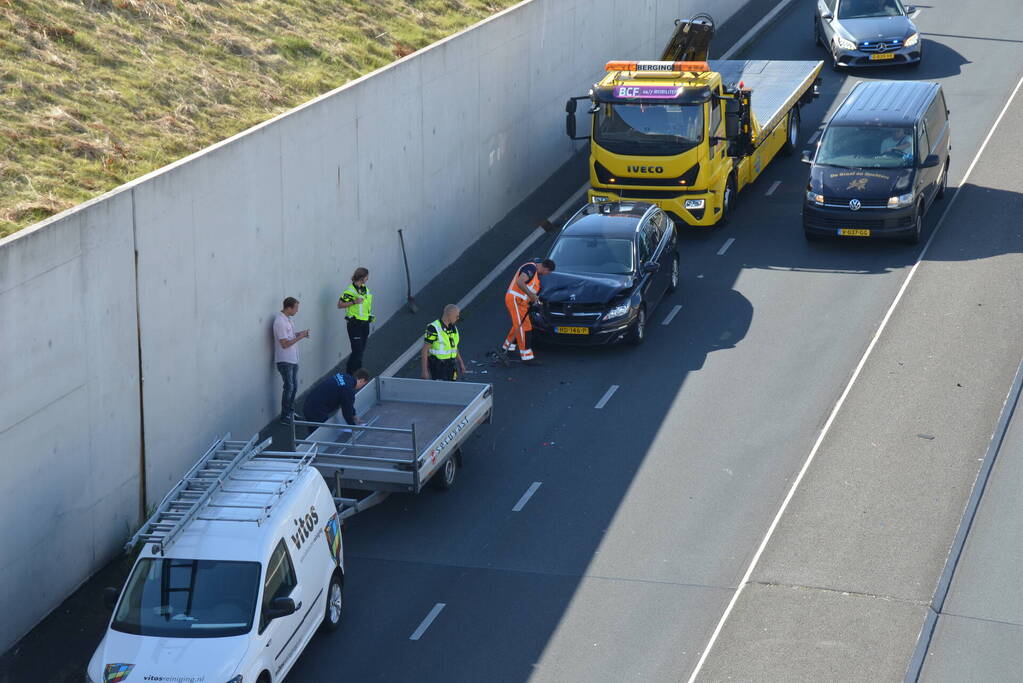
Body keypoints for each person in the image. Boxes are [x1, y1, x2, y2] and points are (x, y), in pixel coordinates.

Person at [502, 259, 555, 366]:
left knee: (519, 324)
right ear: (545, 268)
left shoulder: (535, 276)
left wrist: (534, 301)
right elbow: (520, 282)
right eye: (548, 272)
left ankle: (508, 347)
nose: (547, 275)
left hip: (521, 303)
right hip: (515, 300)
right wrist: (531, 295)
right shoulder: (530, 268)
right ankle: (526, 357)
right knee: (523, 327)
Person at [274, 297, 309, 424]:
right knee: (289, 387)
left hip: (292, 360)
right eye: (296, 308)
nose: (297, 311)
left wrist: (301, 334)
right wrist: (301, 337)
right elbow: (284, 344)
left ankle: (290, 413)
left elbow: (289, 337)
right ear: (289, 308)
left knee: (293, 388)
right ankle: (285, 416)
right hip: (285, 361)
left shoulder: (287, 319)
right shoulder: (280, 322)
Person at [303, 368, 370, 427]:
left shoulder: (344, 376)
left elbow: (348, 403)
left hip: (309, 402)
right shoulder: (348, 390)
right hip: (316, 410)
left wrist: (354, 415)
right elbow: (347, 412)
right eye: (363, 384)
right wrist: (353, 426)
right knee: (319, 435)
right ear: (362, 380)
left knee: (314, 432)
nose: (361, 387)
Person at [338, 267, 373, 375]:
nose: (368, 278)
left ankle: (358, 374)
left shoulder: (365, 289)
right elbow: (340, 305)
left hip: (365, 324)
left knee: (361, 351)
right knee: (357, 350)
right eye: (366, 276)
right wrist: (354, 302)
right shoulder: (350, 291)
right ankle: (349, 374)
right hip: (355, 325)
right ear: (362, 277)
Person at [421, 304, 466, 381]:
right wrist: (424, 371)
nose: (458, 318)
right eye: (456, 316)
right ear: (449, 315)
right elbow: (425, 350)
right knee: (441, 390)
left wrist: (460, 363)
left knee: (451, 388)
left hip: (451, 365)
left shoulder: (453, 328)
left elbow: (454, 347)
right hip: (438, 367)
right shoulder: (433, 328)